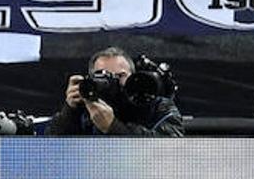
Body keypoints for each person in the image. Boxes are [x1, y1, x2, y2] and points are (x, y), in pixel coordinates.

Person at [49, 46, 185, 136]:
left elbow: (169, 152)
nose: (112, 81)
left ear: (133, 77)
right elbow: (50, 153)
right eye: (103, 76)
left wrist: (113, 127)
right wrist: (69, 111)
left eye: (120, 76)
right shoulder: (83, 106)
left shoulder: (157, 106)